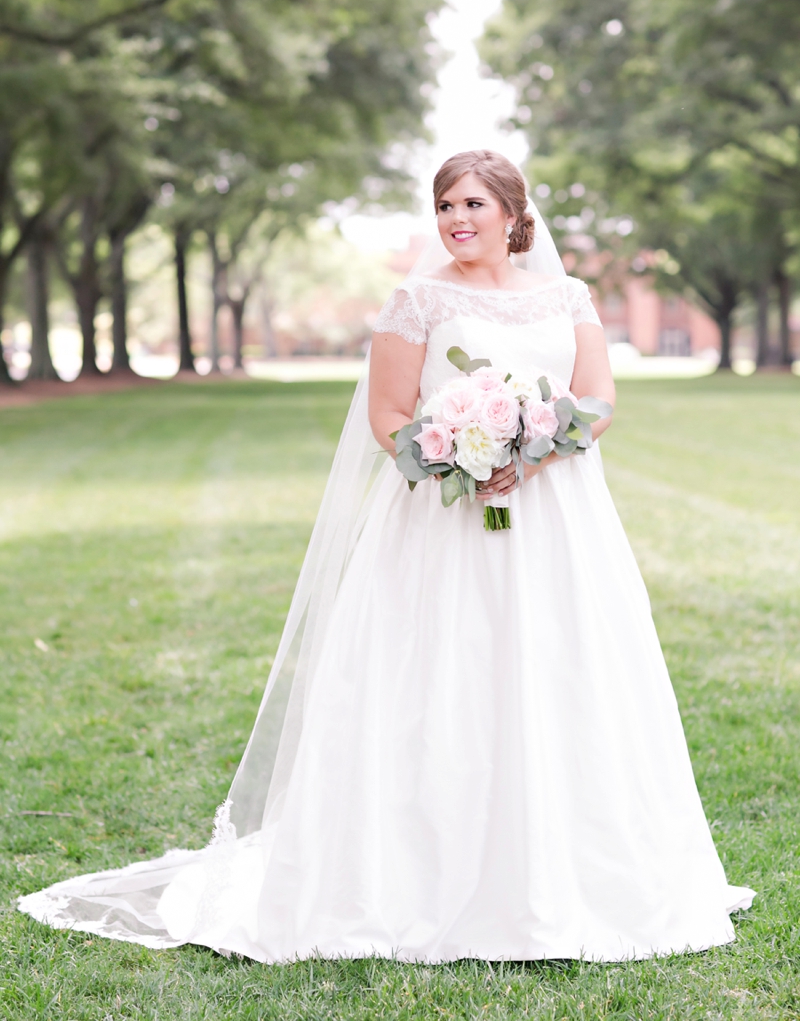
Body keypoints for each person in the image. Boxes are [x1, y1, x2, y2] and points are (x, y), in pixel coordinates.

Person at [19, 150, 752, 961]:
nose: (456, 219)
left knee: (563, 668)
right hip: (442, 521)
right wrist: (460, 455)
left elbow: (600, 396)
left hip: (556, 516)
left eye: (472, 202)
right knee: (439, 674)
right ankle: (412, 875)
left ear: (514, 213)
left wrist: (533, 450)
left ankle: (566, 872)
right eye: (443, 206)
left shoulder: (570, 296)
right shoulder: (415, 300)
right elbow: (389, 414)